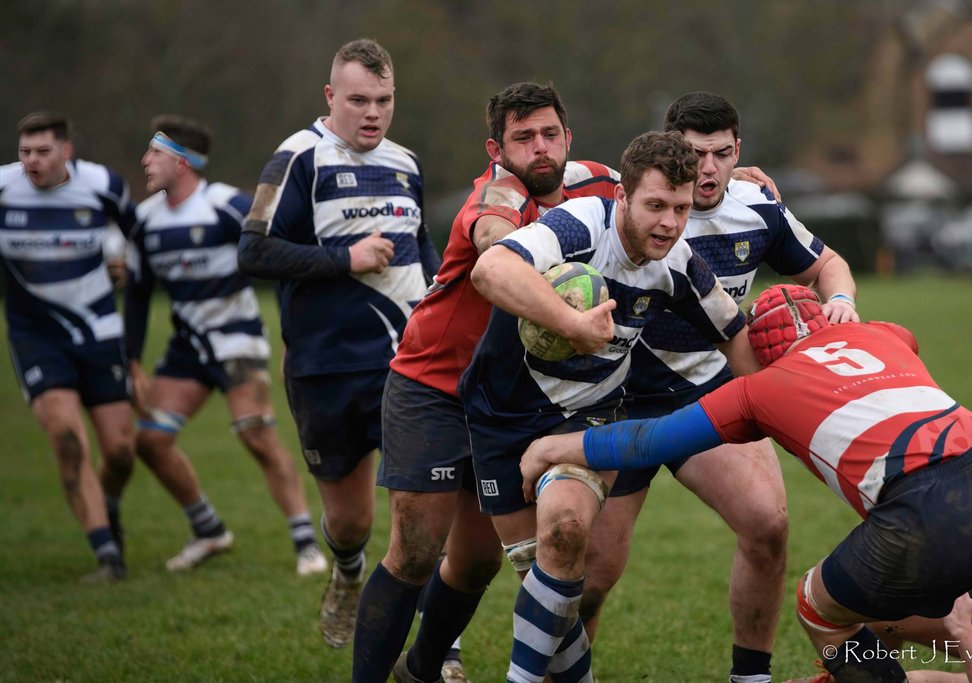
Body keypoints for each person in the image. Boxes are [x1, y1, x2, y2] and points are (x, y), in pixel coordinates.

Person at [521, 284, 972, 683]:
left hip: (925, 507)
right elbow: (903, 335)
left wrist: (550, 448)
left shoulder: (759, 388)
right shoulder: (885, 335)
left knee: (821, 607)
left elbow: (651, 441)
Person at [462, 129, 760, 681]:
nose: (669, 223)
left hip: (588, 417)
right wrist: (571, 323)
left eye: (680, 207)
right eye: (654, 206)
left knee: (566, 532)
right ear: (622, 197)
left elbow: (736, 340)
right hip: (501, 413)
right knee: (543, 576)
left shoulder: (679, 264)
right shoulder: (579, 226)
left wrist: (805, 404)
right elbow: (491, 271)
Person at [583, 92, 860, 682]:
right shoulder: (627, 199)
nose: (707, 169)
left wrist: (839, 300)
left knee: (768, 525)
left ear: (740, 152)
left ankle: (750, 678)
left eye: (722, 154)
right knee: (590, 576)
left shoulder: (757, 207)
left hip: (710, 390)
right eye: (694, 154)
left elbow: (827, 263)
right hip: (618, 400)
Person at [356, 81, 621, 683]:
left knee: (475, 562)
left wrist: (740, 179)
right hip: (434, 386)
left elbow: (663, 187)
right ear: (496, 148)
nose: (540, 148)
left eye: (549, 133)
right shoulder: (496, 194)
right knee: (418, 551)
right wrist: (534, 273)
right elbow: (491, 238)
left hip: (504, 402)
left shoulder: (600, 182)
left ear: (568, 137)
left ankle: (420, 669)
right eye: (523, 138)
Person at [237, 38, 440, 648]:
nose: (372, 112)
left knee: (424, 515)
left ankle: (439, 650)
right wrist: (344, 258)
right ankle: (348, 571)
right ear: (331, 97)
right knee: (351, 521)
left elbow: (421, 244)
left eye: (383, 100)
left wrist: (438, 292)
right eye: (358, 100)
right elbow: (254, 251)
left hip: (408, 366)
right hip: (326, 368)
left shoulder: (405, 163)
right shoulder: (298, 158)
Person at [124, 115, 328, 575]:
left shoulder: (229, 206)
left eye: (154, 152)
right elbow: (136, 295)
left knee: (255, 433)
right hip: (187, 346)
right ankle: (208, 529)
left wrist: (290, 339)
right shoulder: (145, 220)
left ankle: (305, 545)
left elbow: (278, 260)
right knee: (151, 441)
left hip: (237, 339)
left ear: (183, 162)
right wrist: (132, 360)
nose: (145, 161)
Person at [0, 112, 134, 581]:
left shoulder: (103, 185)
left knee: (120, 450)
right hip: (36, 336)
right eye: (24, 152)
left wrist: (122, 264)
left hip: (98, 331)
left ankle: (108, 506)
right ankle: (107, 555)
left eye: (42, 152)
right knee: (67, 437)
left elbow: (132, 236)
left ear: (66, 152)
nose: (31, 162)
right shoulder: (3, 188)